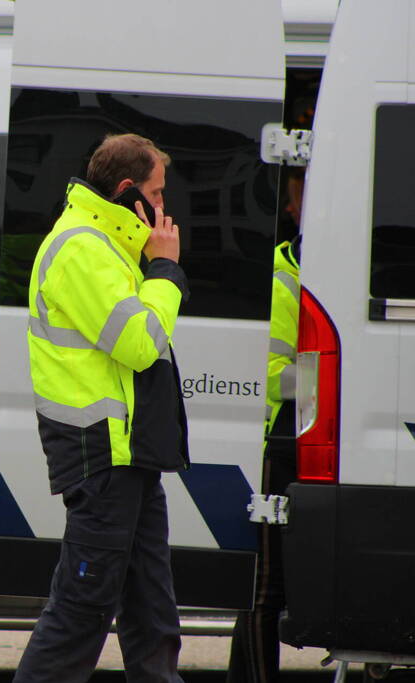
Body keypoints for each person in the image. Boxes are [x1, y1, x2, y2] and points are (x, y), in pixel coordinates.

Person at [14, 133, 189, 682]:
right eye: (158, 196)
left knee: (152, 610)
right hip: (102, 451)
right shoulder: (83, 248)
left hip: (127, 452)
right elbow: (139, 343)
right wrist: (165, 271)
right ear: (128, 190)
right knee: (82, 610)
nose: (164, 210)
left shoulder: (105, 244)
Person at [226, 168, 304, 683]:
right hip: (277, 445)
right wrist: (333, 376)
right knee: (265, 588)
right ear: (293, 208)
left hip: (304, 440)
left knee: (266, 587)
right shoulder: (280, 276)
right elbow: (272, 377)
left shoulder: (311, 271)